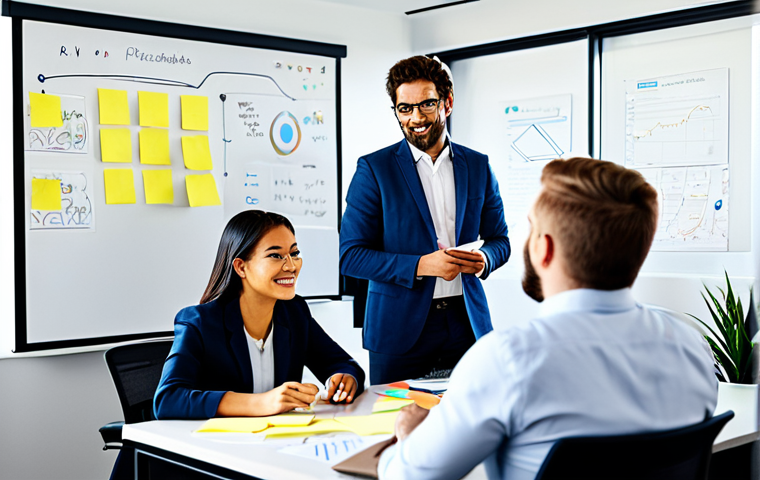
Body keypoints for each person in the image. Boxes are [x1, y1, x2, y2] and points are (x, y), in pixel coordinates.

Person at [378, 157, 718, 480]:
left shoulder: (507, 359)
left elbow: (405, 477)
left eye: (532, 228)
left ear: (545, 248)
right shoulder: (691, 348)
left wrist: (409, 435)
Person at [340, 55, 511, 385]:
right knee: (395, 428)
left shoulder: (477, 166)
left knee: (472, 424)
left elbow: (500, 240)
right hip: (398, 330)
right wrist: (422, 265)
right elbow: (351, 256)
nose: (416, 118)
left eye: (426, 105)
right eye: (405, 108)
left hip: (467, 323)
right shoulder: (374, 170)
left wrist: (484, 259)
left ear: (447, 103)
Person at [154, 210, 365, 419]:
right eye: (275, 255)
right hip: (210, 445)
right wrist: (263, 402)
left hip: (270, 442)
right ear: (241, 267)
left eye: (294, 253)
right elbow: (167, 399)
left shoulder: (294, 312)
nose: (291, 266)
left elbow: (343, 364)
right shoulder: (200, 322)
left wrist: (344, 379)